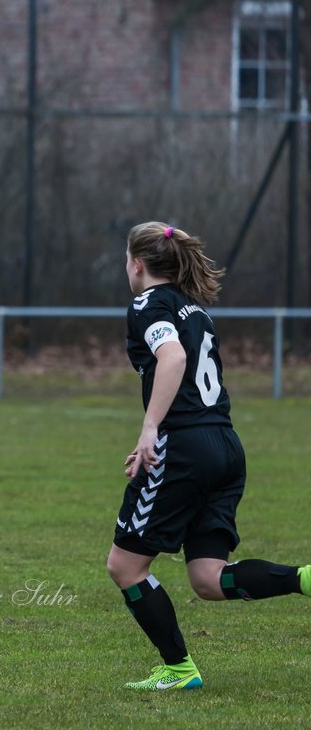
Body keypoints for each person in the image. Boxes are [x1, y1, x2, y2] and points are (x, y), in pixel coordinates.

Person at [108, 221, 309, 691]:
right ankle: (303, 579)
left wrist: (150, 428)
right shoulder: (193, 309)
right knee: (207, 577)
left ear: (137, 263)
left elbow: (173, 359)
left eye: (125, 259)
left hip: (185, 447)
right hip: (225, 444)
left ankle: (179, 669)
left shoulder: (147, 302)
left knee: (125, 567)